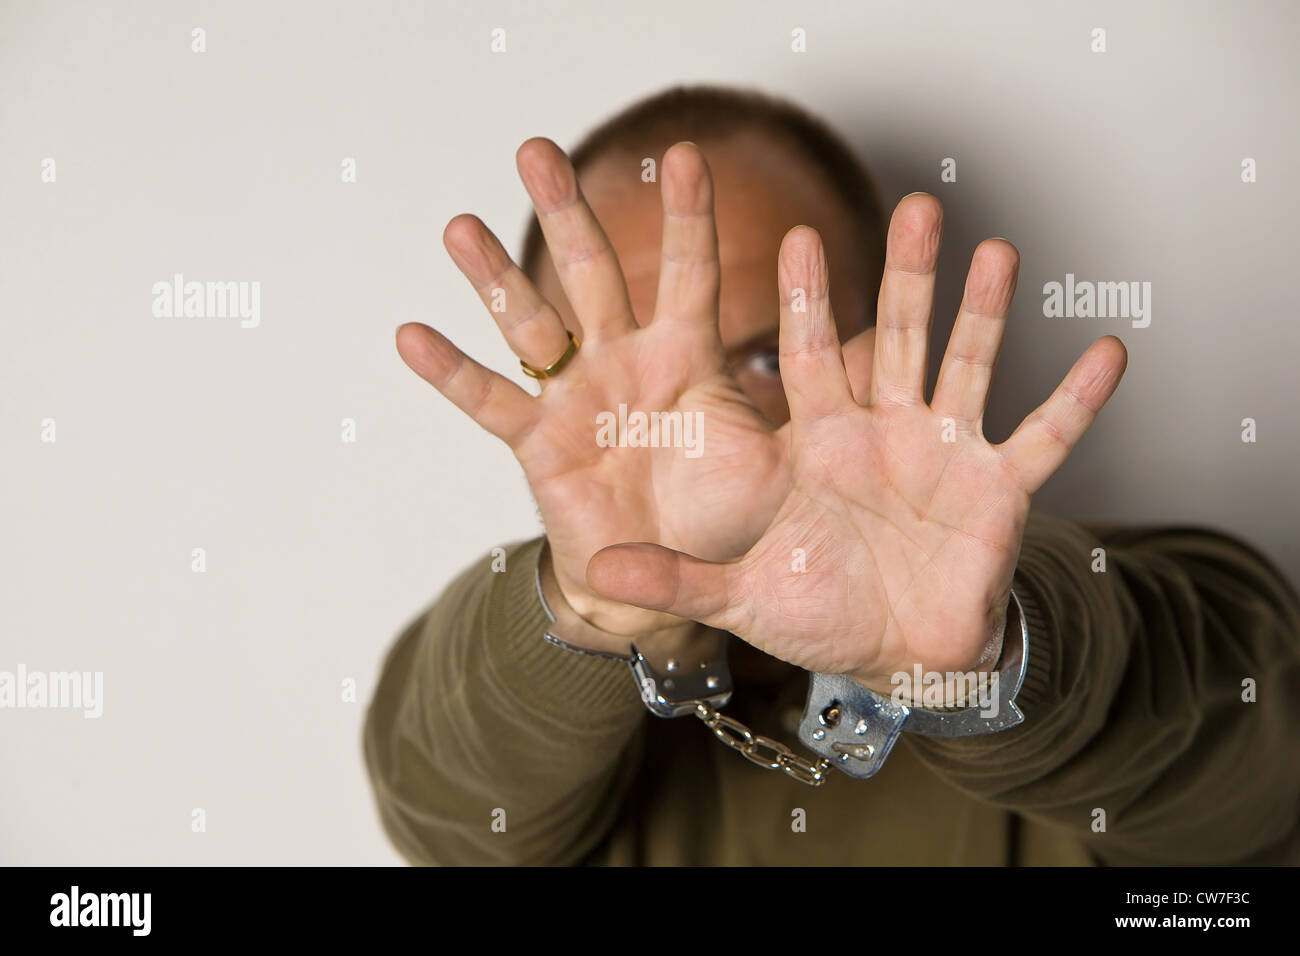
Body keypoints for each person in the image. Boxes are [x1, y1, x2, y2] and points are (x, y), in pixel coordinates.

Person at [362, 85, 1300, 865]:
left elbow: (1253, 768)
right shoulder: (506, 682)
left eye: (771, 356)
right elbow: (440, 808)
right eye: (630, 379)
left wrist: (983, 666)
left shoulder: (1147, 618)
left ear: (898, 337)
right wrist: (599, 618)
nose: (707, 430)